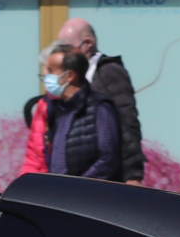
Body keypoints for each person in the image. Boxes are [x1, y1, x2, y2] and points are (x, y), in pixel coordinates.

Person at [56, 16, 145, 184]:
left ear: (88, 44)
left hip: (105, 176)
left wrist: (133, 174)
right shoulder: (73, 79)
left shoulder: (108, 72)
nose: (64, 55)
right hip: (76, 175)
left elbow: (127, 121)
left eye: (67, 47)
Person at [20, 49, 122, 181]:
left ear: (69, 76)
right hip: (62, 195)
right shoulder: (56, 110)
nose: (45, 76)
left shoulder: (100, 108)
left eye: (50, 71)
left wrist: (78, 186)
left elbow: (108, 158)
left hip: (89, 196)